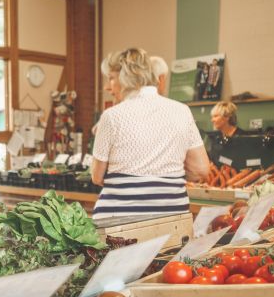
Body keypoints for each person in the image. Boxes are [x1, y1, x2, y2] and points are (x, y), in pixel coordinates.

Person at [90, 48, 210, 218]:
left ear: (125, 78)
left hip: (119, 223)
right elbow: (201, 169)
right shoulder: (182, 111)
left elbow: (97, 176)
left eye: (111, 79)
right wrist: (166, 173)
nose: (108, 87)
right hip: (172, 216)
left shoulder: (111, 116)